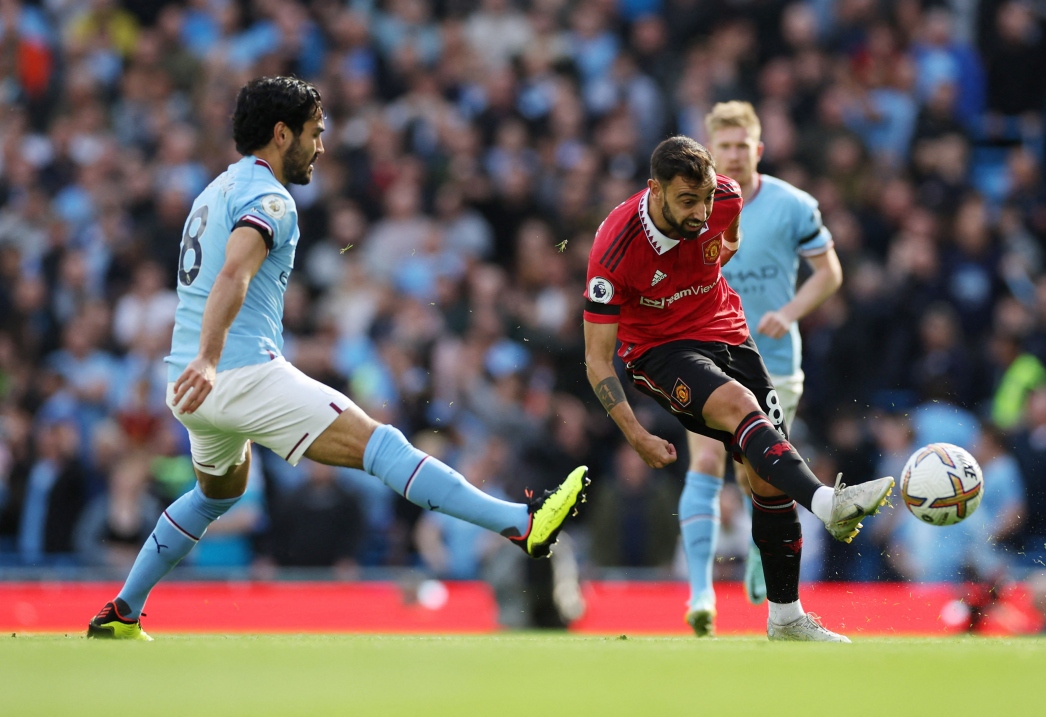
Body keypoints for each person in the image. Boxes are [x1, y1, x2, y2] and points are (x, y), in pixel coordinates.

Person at [87, 77, 588, 641]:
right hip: (234, 370)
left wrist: (200, 363)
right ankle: (521, 524)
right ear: (282, 134)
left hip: (189, 387)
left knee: (216, 493)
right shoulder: (271, 198)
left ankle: (123, 611)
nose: (321, 146)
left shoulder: (213, 193)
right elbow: (234, 272)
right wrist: (210, 357)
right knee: (381, 445)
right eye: (314, 133)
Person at [582, 134, 894, 642]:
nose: (702, 211)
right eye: (687, 201)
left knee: (770, 475)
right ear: (654, 191)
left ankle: (786, 619)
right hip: (658, 352)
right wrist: (635, 434)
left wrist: (717, 250)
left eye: (706, 198)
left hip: (727, 331)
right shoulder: (615, 247)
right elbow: (596, 360)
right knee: (739, 407)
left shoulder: (723, 197)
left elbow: (726, 237)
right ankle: (828, 504)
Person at [678, 102, 847, 634]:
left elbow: (829, 273)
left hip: (773, 364)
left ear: (759, 149)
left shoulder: (793, 205)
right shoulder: (690, 208)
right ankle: (701, 590)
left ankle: (763, 559)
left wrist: (790, 312)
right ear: (710, 151)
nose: (732, 154)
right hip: (705, 355)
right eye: (722, 146)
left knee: (761, 477)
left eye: (740, 145)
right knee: (704, 460)